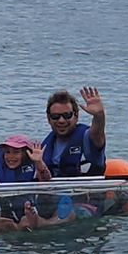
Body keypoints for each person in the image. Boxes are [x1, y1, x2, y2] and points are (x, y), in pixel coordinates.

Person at [40, 86, 107, 218]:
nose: (61, 120)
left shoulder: (87, 139)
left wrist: (99, 116)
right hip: (53, 204)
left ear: (76, 116)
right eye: (55, 116)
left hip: (86, 205)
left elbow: (98, 132)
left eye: (67, 115)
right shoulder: (44, 148)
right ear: (49, 119)